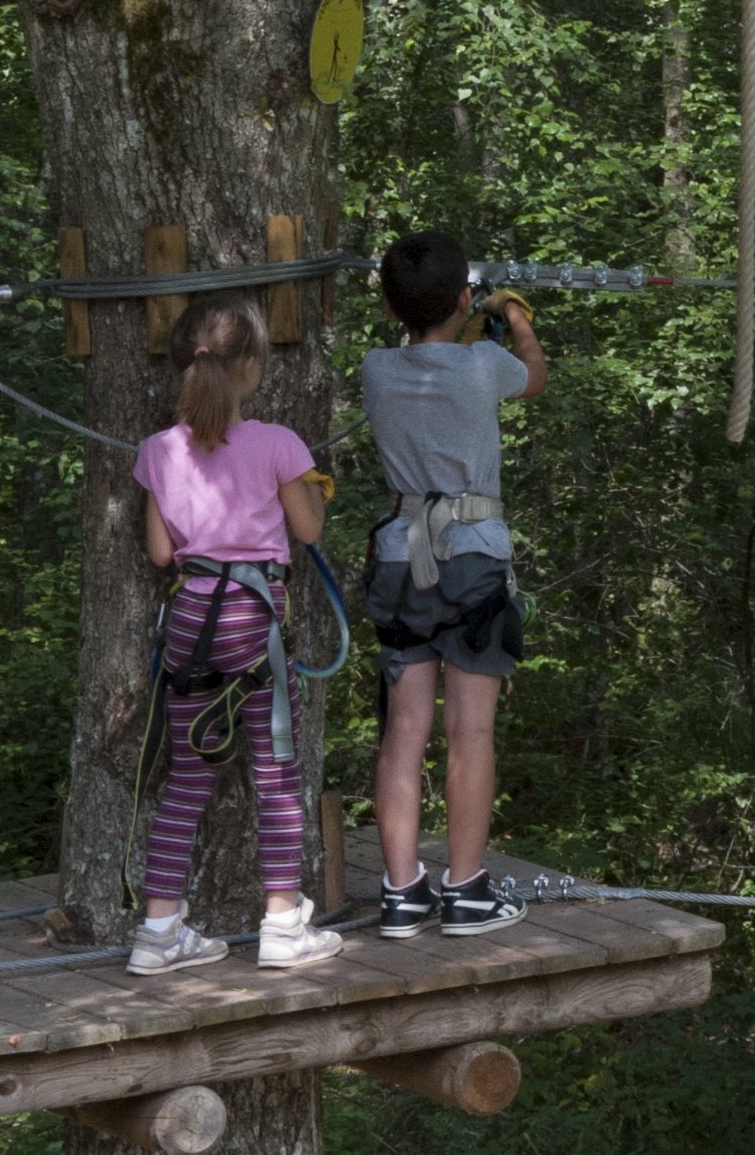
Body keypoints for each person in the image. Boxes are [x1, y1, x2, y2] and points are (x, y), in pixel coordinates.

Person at [126, 296, 340, 974]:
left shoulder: (157, 451)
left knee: (188, 773)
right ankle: (282, 925)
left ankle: (158, 933)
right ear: (251, 366)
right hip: (252, 614)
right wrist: (308, 490)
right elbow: (308, 531)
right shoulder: (279, 445)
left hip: (190, 616)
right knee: (276, 774)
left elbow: (161, 551)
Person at [361, 231, 543, 941]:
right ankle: (465, 889)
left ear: (388, 305)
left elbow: (430, 345)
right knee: (470, 730)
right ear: (465, 300)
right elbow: (534, 373)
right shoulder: (484, 365)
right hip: (471, 556)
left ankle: (402, 891)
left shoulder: (377, 369)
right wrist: (516, 315)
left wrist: (467, 310)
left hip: (400, 557)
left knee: (404, 731)